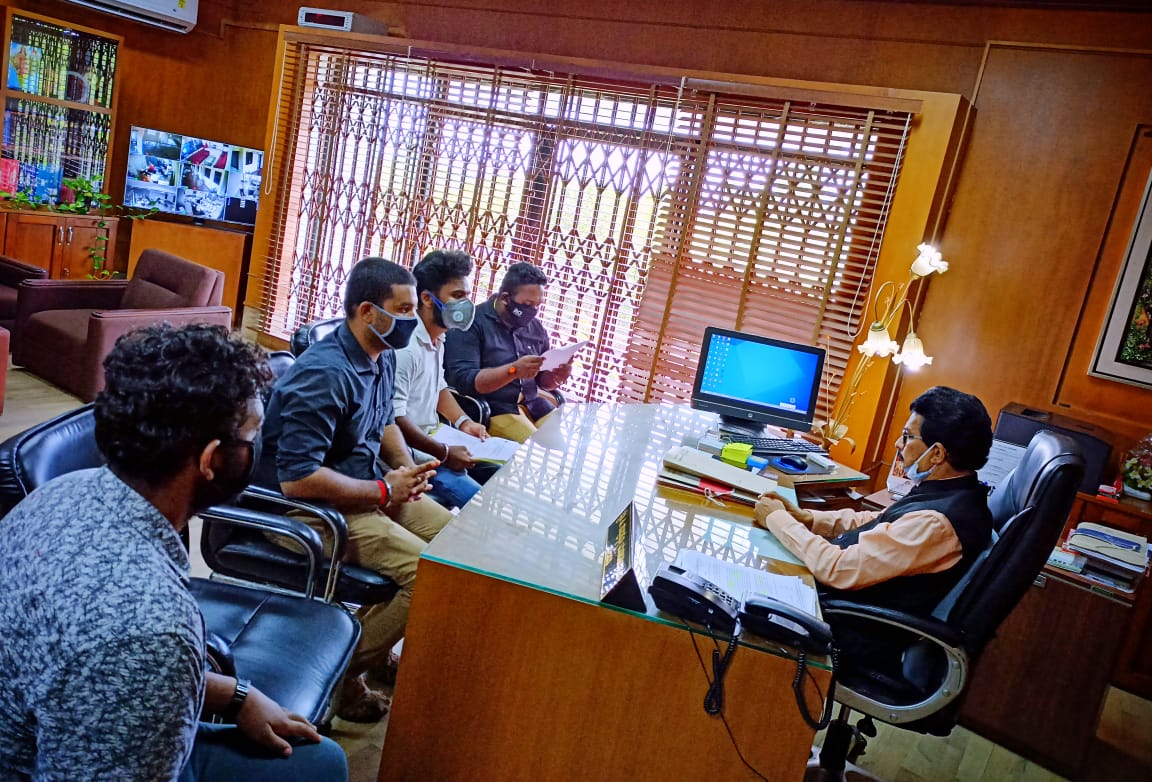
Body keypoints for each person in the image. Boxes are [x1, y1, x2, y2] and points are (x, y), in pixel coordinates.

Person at [0, 324, 348, 782]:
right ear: (210, 459)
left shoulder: (62, 491)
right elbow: (131, 659)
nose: (258, 447)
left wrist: (237, 696)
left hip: (85, 719)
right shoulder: (151, 632)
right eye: (254, 434)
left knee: (323, 761)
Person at [257, 256, 454, 723]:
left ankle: (368, 645)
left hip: (364, 487)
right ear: (368, 311)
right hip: (306, 510)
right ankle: (338, 675)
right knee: (427, 574)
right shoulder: (325, 374)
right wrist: (384, 492)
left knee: (457, 546)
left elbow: (384, 423)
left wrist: (406, 471)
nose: (413, 320)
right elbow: (297, 479)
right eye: (403, 310)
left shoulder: (379, 355)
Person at [754, 386, 994, 616]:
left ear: (937, 453)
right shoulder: (952, 491)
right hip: (834, 595)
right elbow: (881, 520)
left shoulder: (936, 523)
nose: (898, 444)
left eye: (907, 436)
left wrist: (778, 519)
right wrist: (809, 518)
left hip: (839, 618)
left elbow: (838, 568)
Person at [394, 249, 498, 509]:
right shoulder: (406, 348)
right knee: (482, 507)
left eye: (467, 296)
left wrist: (464, 422)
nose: (466, 304)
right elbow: (394, 418)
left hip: (435, 442)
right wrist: (444, 452)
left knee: (499, 478)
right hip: (415, 457)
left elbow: (438, 387)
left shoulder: (437, 337)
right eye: (457, 296)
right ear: (427, 299)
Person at [444, 262, 572, 443]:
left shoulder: (535, 328)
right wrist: (513, 371)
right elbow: (465, 381)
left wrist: (556, 377)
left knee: (562, 447)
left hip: (532, 402)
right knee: (530, 450)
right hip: (494, 408)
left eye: (537, 305)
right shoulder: (471, 325)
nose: (533, 312)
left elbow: (542, 381)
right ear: (505, 298)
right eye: (527, 304)